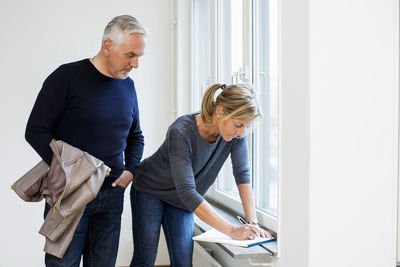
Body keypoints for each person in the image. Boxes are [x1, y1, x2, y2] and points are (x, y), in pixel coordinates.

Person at [25, 15, 146, 267]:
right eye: (130, 55)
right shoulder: (67, 77)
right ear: (108, 46)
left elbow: (136, 136)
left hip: (111, 198)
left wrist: (131, 169)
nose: (135, 64)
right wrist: (72, 169)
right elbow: (36, 130)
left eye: (139, 56)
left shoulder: (128, 86)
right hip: (69, 194)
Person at [130, 83, 273, 267]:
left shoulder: (235, 136)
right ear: (220, 111)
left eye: (246, 127)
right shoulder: (181, 131)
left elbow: (242, 174)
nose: (241, 132)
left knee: (183, 262)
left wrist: (253, 223)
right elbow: (188, 192)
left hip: (182, 200)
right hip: (150, 190)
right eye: (239, 124)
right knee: (145, 259)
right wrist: (231, 230)